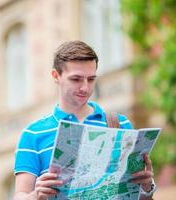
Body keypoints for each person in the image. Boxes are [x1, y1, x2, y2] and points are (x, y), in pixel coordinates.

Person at [13, 41, 156, 200]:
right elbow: (20, 196)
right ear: (56, 76)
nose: (85, 88)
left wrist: (147, 187)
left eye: (91, 79)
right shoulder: (33, 134)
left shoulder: (120, 124)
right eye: (76, 79)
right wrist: (35, 195)